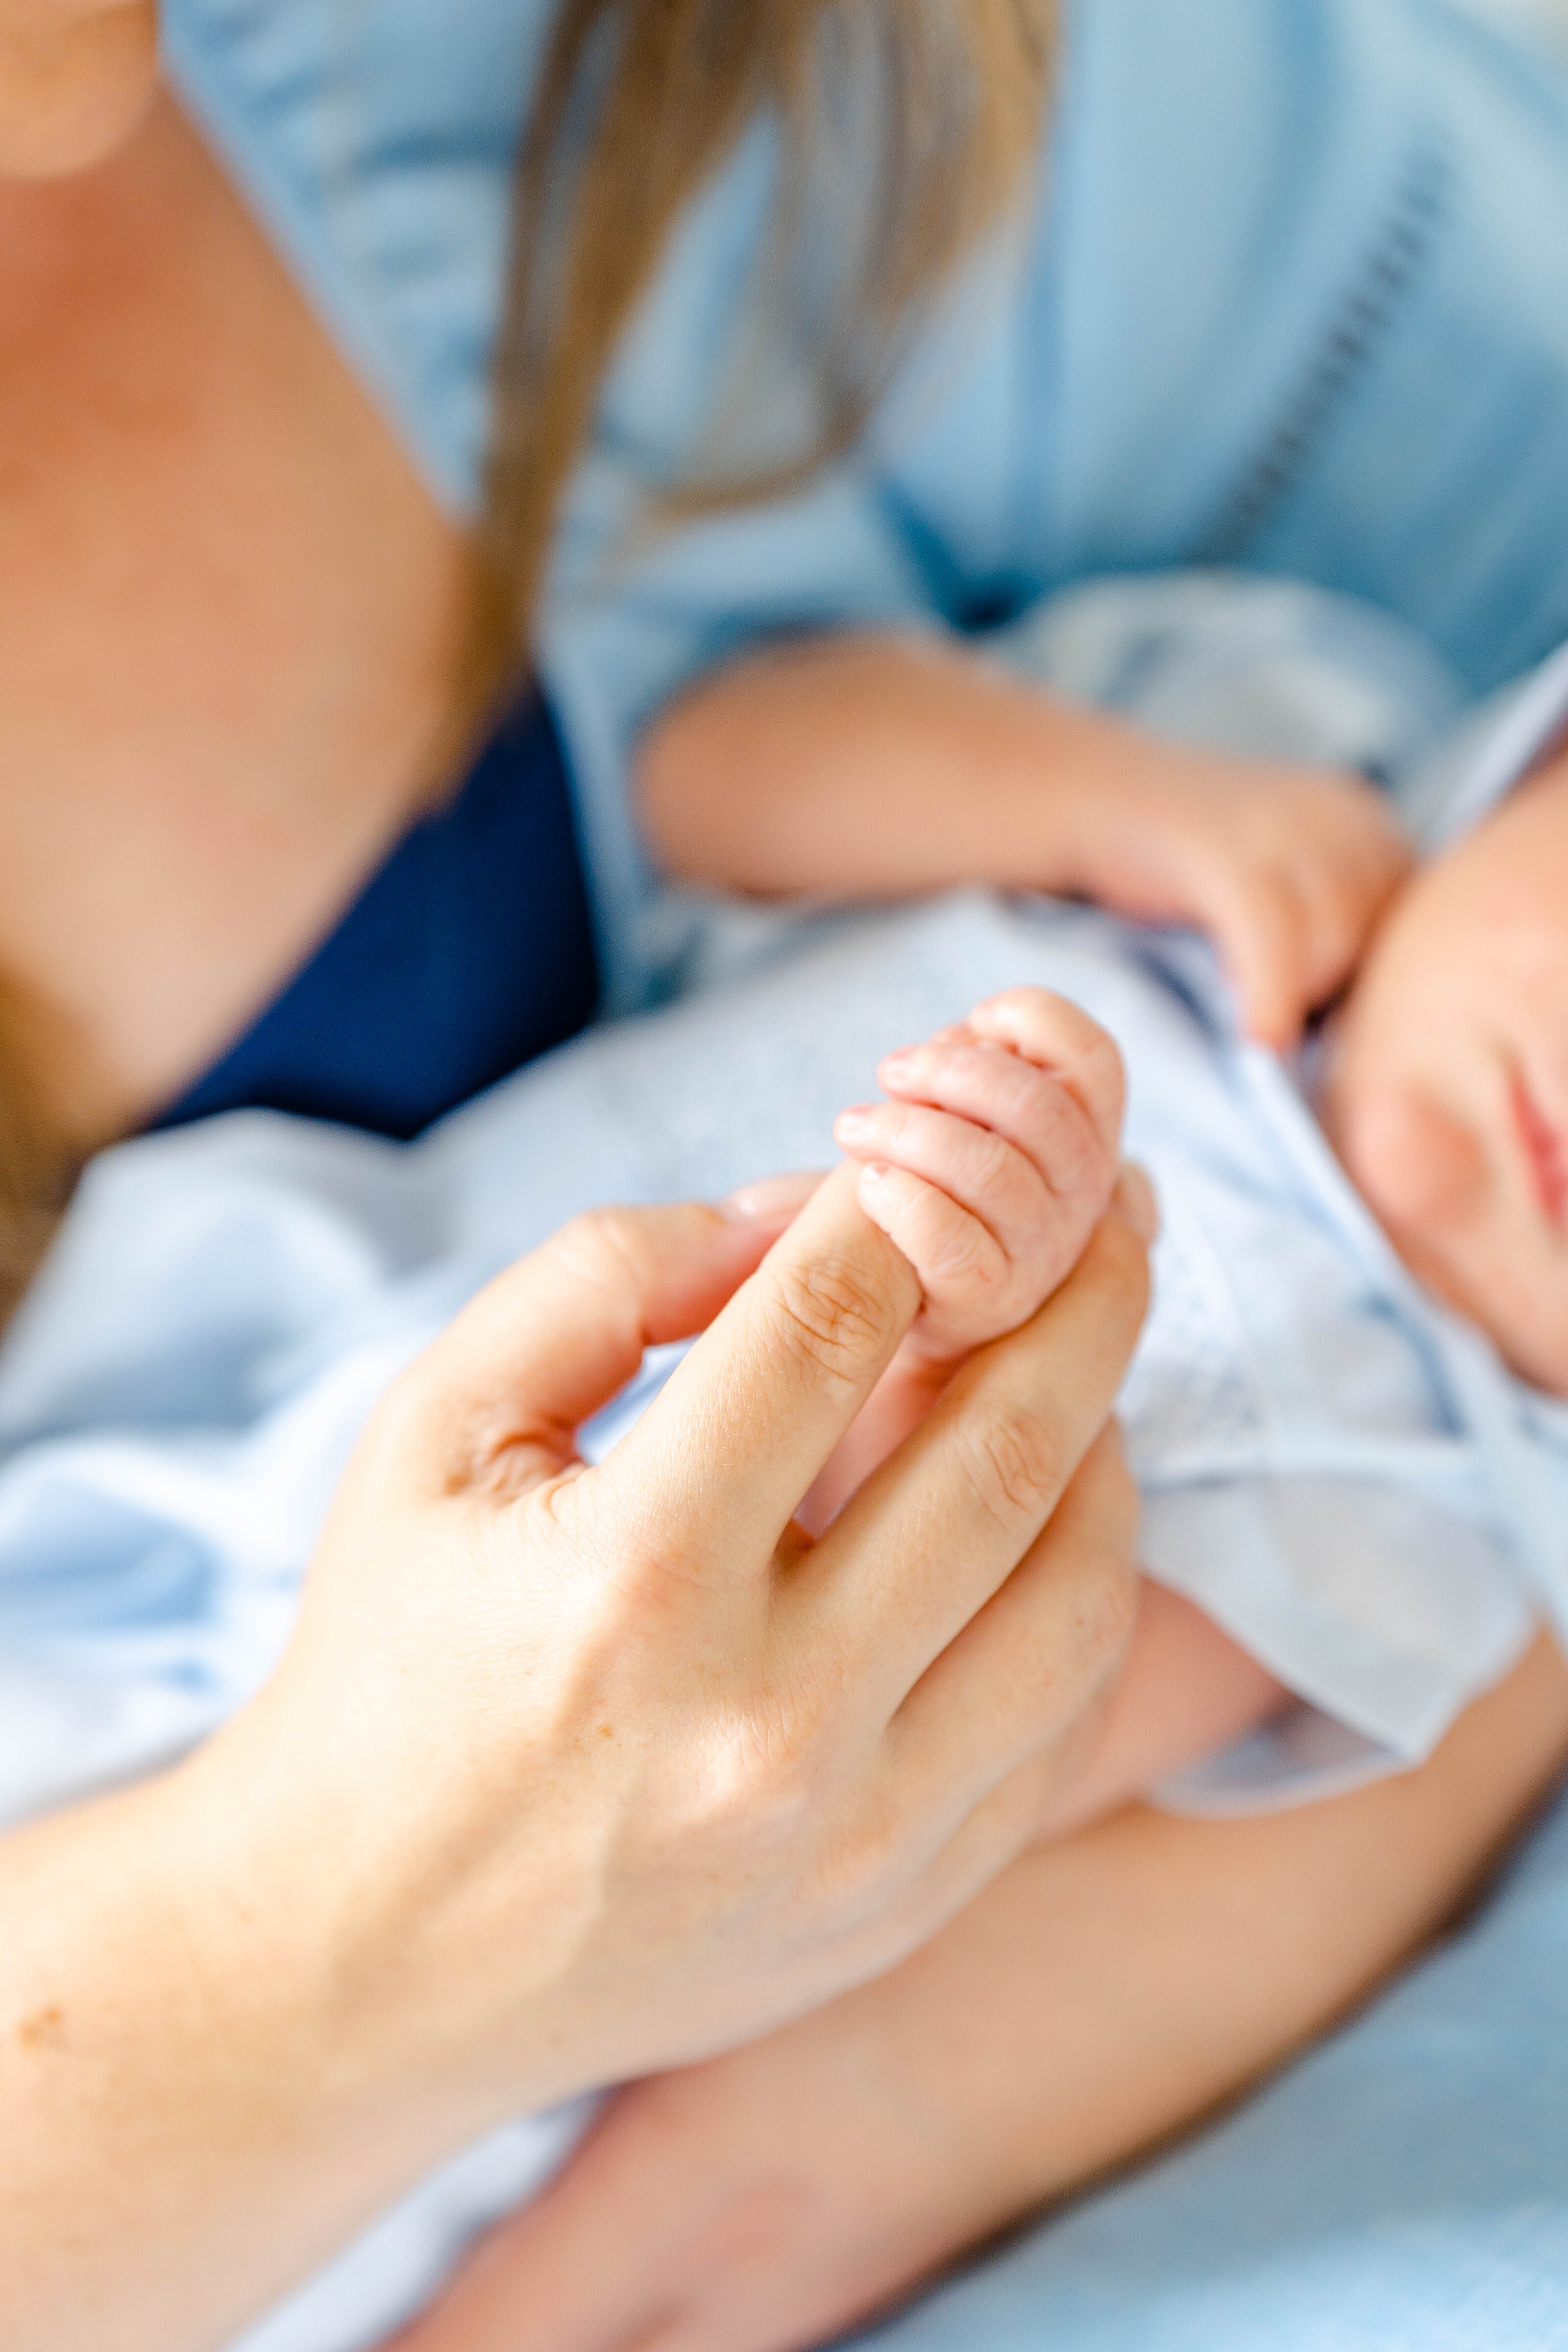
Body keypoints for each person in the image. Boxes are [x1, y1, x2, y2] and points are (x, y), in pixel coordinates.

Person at [2, 0, 1568, 2345]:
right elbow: (720, 771)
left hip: (603, 1868)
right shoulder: (1275, 743)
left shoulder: (1449, 1551)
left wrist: (953, 1341)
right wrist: (1082, 797)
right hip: (258, 1480)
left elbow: (961, 1799)